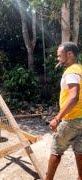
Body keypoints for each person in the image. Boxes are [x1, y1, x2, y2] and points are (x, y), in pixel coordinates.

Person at [46, 42, 82, 180]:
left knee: (56, 149)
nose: (58, 58)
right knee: (80, 151)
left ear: (70, 54)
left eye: (60, 55)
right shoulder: (80, 69)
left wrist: (57, 118)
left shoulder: (71, 71)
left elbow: (74, 97)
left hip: (71, 119)